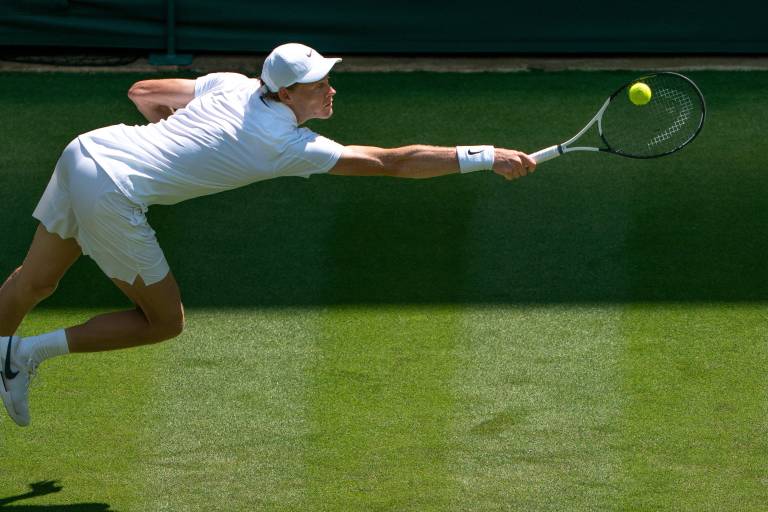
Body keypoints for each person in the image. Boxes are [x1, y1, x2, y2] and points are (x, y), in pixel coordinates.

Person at [0, 43, 535, 427]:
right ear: (285, 92)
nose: (330, 89)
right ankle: (24, 354)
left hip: (86, 150)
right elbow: (390, 163)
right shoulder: (281, 144)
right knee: (163, 322)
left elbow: (143, 92)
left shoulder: (231, 84)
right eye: (318, 85)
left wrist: (180, 140)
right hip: (113, 190)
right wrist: (485, 156)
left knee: (36, 281)